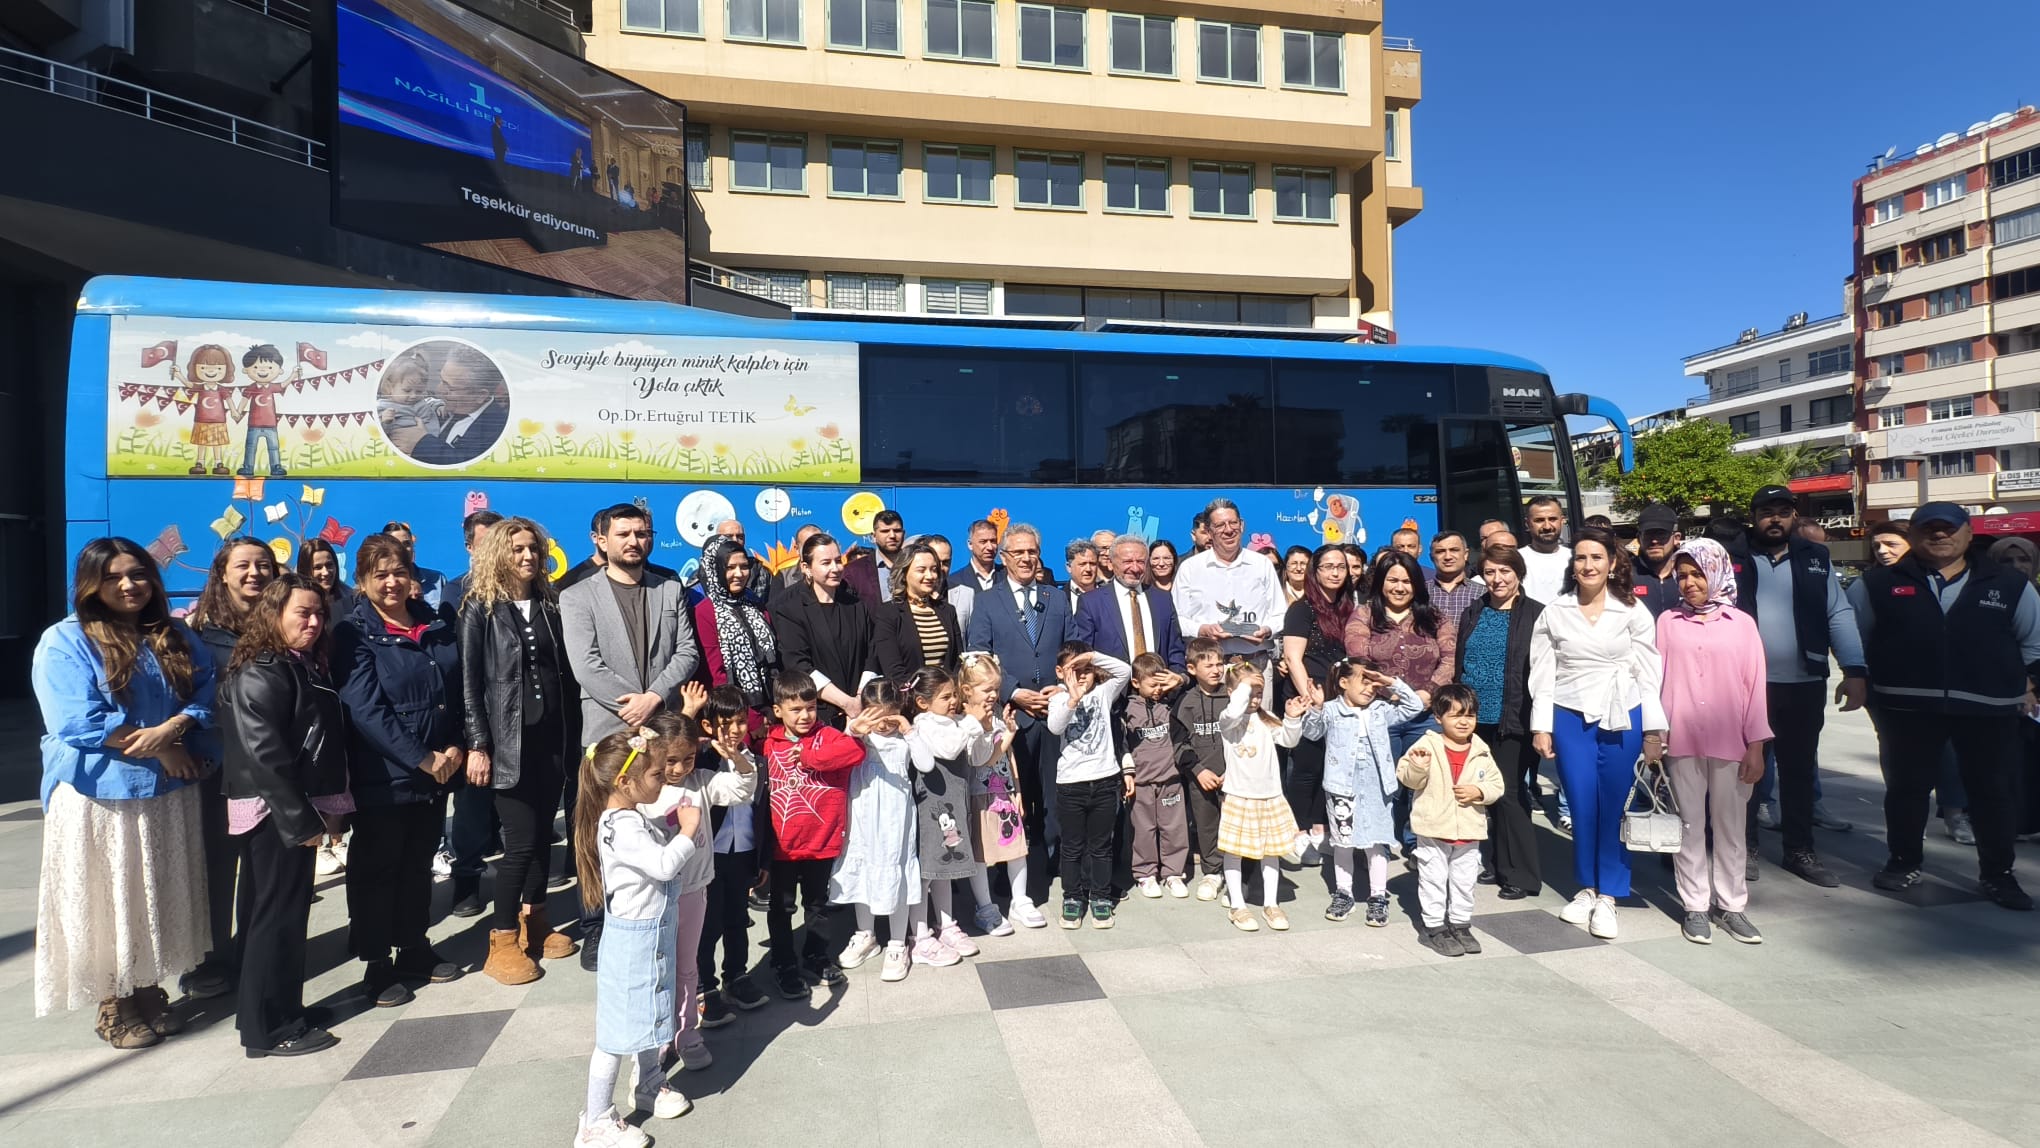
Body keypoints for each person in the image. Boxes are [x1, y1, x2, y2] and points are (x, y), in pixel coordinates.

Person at [32, 538, 217, 1049]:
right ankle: (113, 1002)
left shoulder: (172, 634)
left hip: (166, 790)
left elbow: (206, 689)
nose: (129, 585)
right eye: (113, 577)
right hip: (100, 795)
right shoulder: (65, 640)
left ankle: (149, 987)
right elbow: (76, 720)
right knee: (109, 897)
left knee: (152, 892)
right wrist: (162, 747)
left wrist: (175, 728)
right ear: (90, 585)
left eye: (137, 574)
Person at [1847, 504, 2040, 910]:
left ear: (1968, 533)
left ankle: (1998, 875)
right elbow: (1854, 636)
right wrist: (1860, 678)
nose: (1939, 536)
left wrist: (2016, 680)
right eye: (1929, 529)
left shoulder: (2009, 584)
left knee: (1992, 793)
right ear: (1914, 535)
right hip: (1906, 707)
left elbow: (2033, 641)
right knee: (1906, 790)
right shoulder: (1877, 584)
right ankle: (1903, 862)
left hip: (1988, 708)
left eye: (1948, 529)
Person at [561, 502, 700, 962]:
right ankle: (596, 924)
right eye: (623, 534)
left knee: (657, 825)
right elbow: (586, 666)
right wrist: (634, 706)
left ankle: (661, 914)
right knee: (600, 832)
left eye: (641, 533)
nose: (634, 541)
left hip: (661, 726)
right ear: (601, 540)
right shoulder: (577, 596)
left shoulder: (669, 588)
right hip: (608, 731)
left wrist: (654, 697)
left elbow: (686, 652)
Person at [218, 574, 350, 1057]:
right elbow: (265, 757)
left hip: (294, 809)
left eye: (319, 614)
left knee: (289, 917)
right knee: (272, 919)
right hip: (274, 814)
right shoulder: (261, 671)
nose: (313, 622)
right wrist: (302, 822)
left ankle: (286, 1010)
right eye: (302, 613)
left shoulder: (298, 664)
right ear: (274, 614)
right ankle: (266, 1030)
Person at [334, 534, 465, 1007]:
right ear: (361, 580)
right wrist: (422, 758)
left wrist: (454, 744)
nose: (391, 582)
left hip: (437, 771)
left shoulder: (432, 622)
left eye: (399, 572)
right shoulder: (353, 634)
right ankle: (376, 962)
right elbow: (366, 711)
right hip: (384, 776)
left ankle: (413, 946)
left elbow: (454, 690)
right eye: (380, 574)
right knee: (377, 869)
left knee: (417, 862)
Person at [1530, 525, 1666, 941]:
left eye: (1596, 558)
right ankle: (1587, 887)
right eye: (1581, 557)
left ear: (1612, 564)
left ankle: (1609, 894)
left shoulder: (1632, 611)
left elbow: (1649, 672)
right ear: (1572, 565)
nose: (1588, 565)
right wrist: (1542, 725)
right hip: (1570, 716)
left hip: (1623, 714)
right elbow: (1543, 671)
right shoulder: (1555, 611)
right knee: (1581, 804)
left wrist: (1654, 729)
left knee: (1614, 806)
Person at [458, 516, 578, 983]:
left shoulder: (550, 604)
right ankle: (502, 938)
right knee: (521, 841)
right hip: (508, 741)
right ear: (498, 555)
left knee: (544, 835)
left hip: (552, 738)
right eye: (518, 549)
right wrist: (477, 744)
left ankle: (536, 920)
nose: (528, 556)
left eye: (533, 548)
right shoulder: (480, 607)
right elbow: (470, 682)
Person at [1731, 485, 1867, 889]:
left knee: (1799, 771)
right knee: (1747, 772)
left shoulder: (1815, 557)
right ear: (1753, 517)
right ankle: (1745, 847)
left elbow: (1838, 612)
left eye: (1783, 511)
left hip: (1804, 681)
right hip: (1748, 686)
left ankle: (1799, 850)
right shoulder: (1735, 555)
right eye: (1766, 512)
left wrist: (1854, 669)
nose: (1775, 519)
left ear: (1794, 515)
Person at [570, 731, 698, 1146]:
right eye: (656, 774)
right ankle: (595, 1120)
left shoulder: (626, 817)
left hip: (650, 935)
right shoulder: (622, 825)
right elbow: (662, 866)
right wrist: (687, 832)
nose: (664, 780)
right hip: (633, 943)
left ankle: (650, 1082)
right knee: (614, 1036)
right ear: (625, 782)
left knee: (649, 1015)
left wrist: (667, 825)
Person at [1656, 539, 1771, 946]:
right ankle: (1695, 905)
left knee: (1731, 826)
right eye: (1683, 576)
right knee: (1688, 825)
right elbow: (1656, 680)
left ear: (1717, 573)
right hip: (1681, 739)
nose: (1689, 583)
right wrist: (1655, 734)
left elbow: (1755, 686)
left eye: (1697, 574)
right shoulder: (1667, 622)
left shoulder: (1742, 624)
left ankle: (1732, 905)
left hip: (1731, 740)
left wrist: (1756, 745)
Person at [183, 535, 278, 999]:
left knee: (262, 869)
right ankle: (210, 959)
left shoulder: (283, 625)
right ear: (222, 574)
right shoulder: (198, 635)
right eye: (243, 565)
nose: (254, 573)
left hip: (271, 768)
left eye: (263, 565)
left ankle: (253, 955)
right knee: (216, 869)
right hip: (217, 769)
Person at [642, 704, 758, 1073]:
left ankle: (686, 1034)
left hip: (693, 891)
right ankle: (655, 1042)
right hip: (653, 898)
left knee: (687, 967)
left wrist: (734, 756)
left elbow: (743, 788)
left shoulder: (702, 782)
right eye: (670, 761)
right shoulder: (641, 792)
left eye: (688, 758)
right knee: (656, 971)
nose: (679, 768)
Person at [964, 524, 1072, 912]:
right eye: (1018, 552)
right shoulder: (987, 601)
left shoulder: (1056, 597)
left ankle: (1053, 860)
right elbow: (979, 653)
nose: (1026, 559)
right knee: (1010, 795)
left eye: (1032, 552)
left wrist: (1062, 686)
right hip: (1012, 716)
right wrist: (1012, 691)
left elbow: (1072, 648)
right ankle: (1006, 865)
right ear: (1005, 557)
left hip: (1053, 712)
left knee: (1054, 791)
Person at [1865, 520, 1971, 845]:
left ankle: (1955, 813)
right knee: (1896, 751)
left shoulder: (1947, 577)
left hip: (1945, 685)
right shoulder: (1871, 583)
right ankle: (1909, 818)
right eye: (1877, 546)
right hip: (1887, 688)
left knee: (1949, 750)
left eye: (1891, 544)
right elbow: (1855, 632)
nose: (1883, 551)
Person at [1345, 551, 1458, 851]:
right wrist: (1389, 693)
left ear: (1417, 585)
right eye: (1392, 580)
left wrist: (1428, 692)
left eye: (1406, 581)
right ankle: (1380, 841)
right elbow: (1359, 658)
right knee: (1382, 780)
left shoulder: (1435, 618)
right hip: (1381, 712)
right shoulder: (1364, 616)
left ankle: (1415, 840)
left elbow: (1450, 658)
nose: (1399, 587)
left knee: (1421, 779)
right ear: (1381, 583)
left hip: (1424, 714)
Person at [760, 674, 864, 997]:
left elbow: (854, 752)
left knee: (817, 905)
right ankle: (783, 963)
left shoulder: (828, 736)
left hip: (821, 841)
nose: (805, 715)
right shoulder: (768, 744)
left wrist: (808, 758)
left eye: (811, 707)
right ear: (778, 710)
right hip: (782, 845)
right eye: (796, 710)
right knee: (782, 908)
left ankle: (816, 957)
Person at [1453, 543, 1545, 900]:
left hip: (1514, 717)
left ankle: (1522, 874)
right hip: (1476, 720)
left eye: (1505, 571)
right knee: (1486, 793)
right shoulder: (1473, 611)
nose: (1497, 578)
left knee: (1508, 792)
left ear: (1518, 573)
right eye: (1489, 572)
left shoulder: (1536, 614)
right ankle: (1495, 862)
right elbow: (1463, 662)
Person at [1313, 659, 1424, 926]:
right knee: (1343, 842)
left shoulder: (1381, 710)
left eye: (1374, 685)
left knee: (1377, 842)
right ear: (1343, 682)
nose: (1370, 689)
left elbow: (1415, 706)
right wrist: (1315, 708)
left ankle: (1378, 895)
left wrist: (1391, 683)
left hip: (1377, 786)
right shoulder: (1331, 709)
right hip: (1342, 787)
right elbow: (1312, 732)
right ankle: (1343, 892)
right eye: (1364, 682)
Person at [1397, 685, 1503, 958]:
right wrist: (1418, 767)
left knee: (1464, 880)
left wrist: (1479, 791)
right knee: (1433, 878)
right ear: (1438, 717)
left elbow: (1496, 785)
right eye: (1455, 715)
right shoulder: (1426, 746)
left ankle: (1460, 923)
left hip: (1469, 829)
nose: (1464, 721)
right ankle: (1434, 926)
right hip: (1434, 828)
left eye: (1469, 715)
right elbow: (1407, 778)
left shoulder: (1481, 749)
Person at [828, 679, 920, 983]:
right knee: (864, 871)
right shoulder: (859, 736)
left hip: (895, 820)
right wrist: (854, 730)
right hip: (862, 814)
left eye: (888, 717)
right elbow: (837, 754)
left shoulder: (904, 739)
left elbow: (925, 763)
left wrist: (908, 729)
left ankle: (897, 943)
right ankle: (865, 934)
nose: (882, 725)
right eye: (875, 717)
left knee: (896, 871)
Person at [907, 667, 1000, 956]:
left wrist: (985, 729)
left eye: (954, 695)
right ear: (923, 702)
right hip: (932, 808)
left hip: (954, 805)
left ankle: (946, 925)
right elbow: (947, 749)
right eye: (945, 697)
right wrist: (972, 722)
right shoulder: (923, 724)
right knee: (927, 871)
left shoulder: (958, 723)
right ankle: (919, 933)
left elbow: (978, 758)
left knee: (946, 868)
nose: (953, 701)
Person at [443, 508, 507, 916]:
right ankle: (466, 876)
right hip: (475, 712)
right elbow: (459, 665)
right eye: (486, 543)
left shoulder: (523, 588)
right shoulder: (456, 593)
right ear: (469, 547)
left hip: (516, 715)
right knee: (471, 803)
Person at [1215, 660, 1310, 932]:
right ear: (1233, 692)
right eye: (1250, 693)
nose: (1255, 699)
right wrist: (1244, 687)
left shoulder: (1266, 719)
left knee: (1271, 852)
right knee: (1234, 852)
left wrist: (1292, 718)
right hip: (1239, 796)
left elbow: (1289, 740)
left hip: (1270, 796)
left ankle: (1271, 903)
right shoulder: (1228, 720)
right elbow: (1234, 710)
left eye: (1259, 693)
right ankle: (1237, 905)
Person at [1046, 644, 1133, 928]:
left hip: (1105, 780)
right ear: (1060, 672)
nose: (1082, 675)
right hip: (1071, 785)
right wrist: (1072, 698)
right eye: (1075, 670)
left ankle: (1100, 896)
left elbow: (1125, 671)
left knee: (1101, 846)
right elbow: (1055, 727)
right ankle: (1072, 897)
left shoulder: (1103, 693)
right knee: (1071, 847)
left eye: (1087, 670)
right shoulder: (1059, 699)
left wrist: (1093, 657)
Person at [1280, 544, 1354, 858]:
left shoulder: (1350, 608)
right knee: (1306, 767)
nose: (1335, 572)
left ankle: (1321, 827)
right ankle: (1299, 830)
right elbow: (1293, 658)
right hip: (1308, 696)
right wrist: (1311, 698)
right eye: (1328, 567)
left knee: (1331, 766)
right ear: (1316, 571)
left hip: (1340, 698)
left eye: (1341, 566)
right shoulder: (1302, 609)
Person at [956, 652, 1037, 931]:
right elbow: (982, 760)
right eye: (986, 689)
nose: (992, 695)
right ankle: (985, 906)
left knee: (1017, 847)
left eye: (995, 689)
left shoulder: (997, 716)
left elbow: (1008, 755)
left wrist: (1017, 789)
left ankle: (1020, 900)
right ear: (967, 690)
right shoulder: (964, 722)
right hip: (977, 795)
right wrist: (1008, 734)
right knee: (981, 853)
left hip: (1004, 792)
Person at [771, 531, 875, 728]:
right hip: (819, 716)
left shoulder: (856, 606)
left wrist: (860, 698)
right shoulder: (791, 610)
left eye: (838, 561)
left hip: (862, 711)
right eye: (826, 563)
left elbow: (871, 653)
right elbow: (799, 664)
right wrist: (846, 703)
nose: (835, 568)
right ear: (806, 568)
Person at [1173, 499, 1285, 669]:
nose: (1228, 530)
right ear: (1209, 531)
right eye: (1220, 525)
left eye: (1233, 523)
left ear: (1242, 525)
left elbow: (1280, 614)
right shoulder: (1190, 568)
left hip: (1256, 665)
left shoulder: (1262, 564)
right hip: (1208, 668)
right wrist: (1201, 629)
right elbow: (1177, 619)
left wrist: (1267, 630)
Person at [692, 534, 778, 739]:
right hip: (732, 720)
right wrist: (751, 719)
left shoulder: (754, 602)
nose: (739, 574)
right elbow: (717, 675)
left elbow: (773, 660)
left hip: (770, 713)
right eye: (730, 567)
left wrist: (773, 710)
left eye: (744, 566)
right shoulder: (705, 611)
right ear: (716, 569)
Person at [1121, 653, 1190, 899]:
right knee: (1143, 830)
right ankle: (1145, 874)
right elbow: (1123, 745)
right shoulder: (1127, 710)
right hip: (1141, 783)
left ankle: (1173, 873)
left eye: (1161, 684)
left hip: (1170, 780)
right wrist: (1127, 774)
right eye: (1152, 685)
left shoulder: (1171, 705)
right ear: (1136, 682)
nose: (1158, 690)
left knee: (1174, 828)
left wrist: (1178, 681)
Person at [1071, 534, 1187, 671]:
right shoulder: (1091, 602)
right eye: (1127, 562)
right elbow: (1084, 652)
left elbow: (1175, 649)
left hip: (1158, 682)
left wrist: (1178, 676)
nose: (1135, 568)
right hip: (1111, 683)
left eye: (1141, 562)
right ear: (1110, 564)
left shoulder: (1162, 599)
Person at [871, 541, 963, 686]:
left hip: (947, 695)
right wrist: (920, 694)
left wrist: (948, 691)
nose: (930, 576)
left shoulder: (947, 611)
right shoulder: (889, 613)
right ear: (904, 573)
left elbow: (958, 660)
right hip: (909, 696)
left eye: (934, 570)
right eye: (921, 570)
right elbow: (893, 669)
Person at [407, 347, 510, 466]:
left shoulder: (498, 431)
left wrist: (422, 443)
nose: (439, 390)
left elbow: (470, 467)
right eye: (441, 380)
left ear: (480, 395)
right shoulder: (440, 407)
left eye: (450, 387)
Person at [233, 345, 297, 478]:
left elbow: (283, 384)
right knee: (250, 447)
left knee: (273, 447)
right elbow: (244, 400)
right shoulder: (251, 387)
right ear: (246, 370)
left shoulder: (272, 387)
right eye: (255, 367)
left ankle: (276, 466)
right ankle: (248, 467)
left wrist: (293, 375)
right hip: (254, 424)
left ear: (279, 370)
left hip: (270, 424)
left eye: (269, 367)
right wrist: (237, 412)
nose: (262, 370)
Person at [440, 509, 504, 610]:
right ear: (469, 547)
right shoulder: (455, 590)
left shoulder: (524, 585)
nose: (493, 547)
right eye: (486, 542)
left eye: (498, 541)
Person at [842, 509, 907, 604]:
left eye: (897, 531)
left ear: (904, 534)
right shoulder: (854, 571)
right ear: (873, 536)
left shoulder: (914, 565)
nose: (892, 535)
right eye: (885, 531)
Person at [1629, 503, 1682, 617]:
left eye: (1661, 534)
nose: (1654, 541)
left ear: (1676, 538)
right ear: (1639, 538)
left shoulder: (1689, 574)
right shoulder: (1625, 574)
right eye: (1648, 535)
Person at [382, 521, 448, 612]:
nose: (403, 549)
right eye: (396, 545)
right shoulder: (380, 583)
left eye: (407, 544)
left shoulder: (437, 579)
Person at [1520, 496, 1572, 603]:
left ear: (1562, 521)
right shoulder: (1516, 559)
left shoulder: (1576, 558)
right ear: (1527, 524)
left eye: (1552, 519)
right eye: (1539, 520)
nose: (1547, 526)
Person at [298, 537, 355, 632]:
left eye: (329, 565)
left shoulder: (352, 600)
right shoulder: (294, 603)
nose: (326, 572)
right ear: (305, 570)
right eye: (318, 567)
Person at [1425, 531, 1481, 624]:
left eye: (1454, 550)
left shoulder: (1481, 593)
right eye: (1440, 551)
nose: (1448, 557)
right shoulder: (1420, 592)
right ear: (1431, 557)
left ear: (1466, 554)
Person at [767, 523, 824, 608]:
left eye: (818, 544)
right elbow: (774, 609)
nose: (814, 550)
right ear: (797, 549)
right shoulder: (783, 577)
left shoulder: (834, 573)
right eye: (808, 545)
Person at [1062, 540, 1104, 610]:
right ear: (1069, 567)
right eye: (1082, 564)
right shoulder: (1057, 598)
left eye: (1092, 564)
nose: (1088, 569)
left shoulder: (1110, 595)